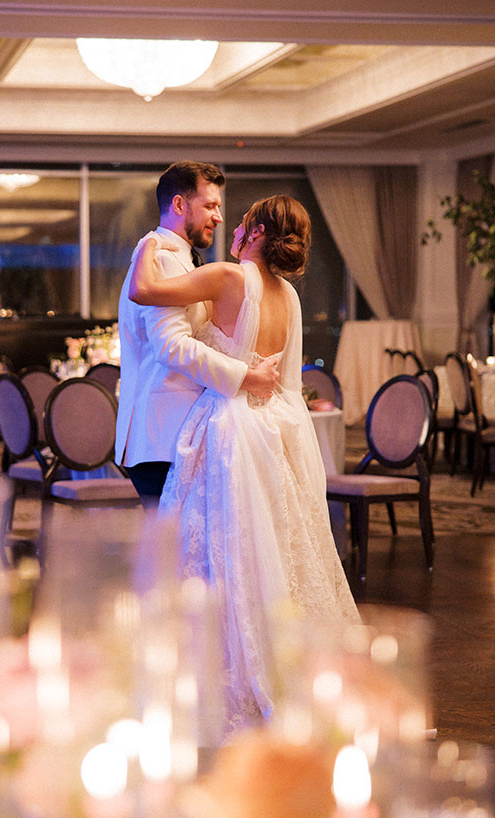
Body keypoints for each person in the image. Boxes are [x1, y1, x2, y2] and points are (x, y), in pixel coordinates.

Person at [129, 194, 360, 732]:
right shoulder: (291, 297)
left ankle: (231, 670)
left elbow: (146, 292)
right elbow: (283, 381)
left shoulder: (231, 278)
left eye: (244, 220)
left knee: (227, 553)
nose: (232, 225)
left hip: (231, 426)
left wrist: (147, 242)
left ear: (256, 232)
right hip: (276, 428)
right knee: (275, 549)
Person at [115, 161, 280, 507]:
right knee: (168, 555)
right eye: (209, 205)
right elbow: (171, 348)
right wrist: (246, 377)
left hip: (174, 433)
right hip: (164, 435)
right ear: (178, 205)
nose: (218, 217)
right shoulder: (161, 259)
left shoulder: (180, 259)